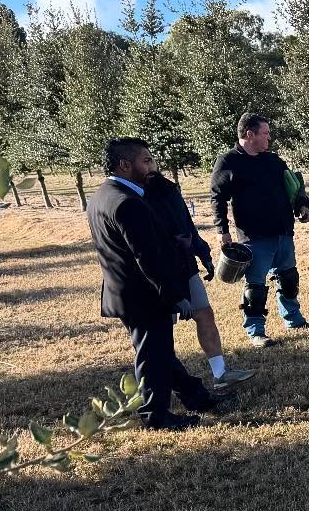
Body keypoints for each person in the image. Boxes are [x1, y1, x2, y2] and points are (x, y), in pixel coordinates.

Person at [87, 138, 221, 431]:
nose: (152, 167)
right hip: (144, 294)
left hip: (125, 292)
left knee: (159, 352)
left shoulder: (102, 195)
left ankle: (194, 395)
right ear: (125, 165)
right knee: (152, 356)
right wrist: (174, 296)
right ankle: (155, 415)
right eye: (146, 161)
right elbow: (147, 259)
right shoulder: (128, 204)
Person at [142, 169, 255, 387]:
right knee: (162, 328)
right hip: (158, 273)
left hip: (185, 267)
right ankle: (164, 383)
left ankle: (220, 374)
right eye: (144, 161)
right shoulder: (133, 198)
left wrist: (203, 254)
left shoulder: (169, 190)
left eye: (151, 161)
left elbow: (187, 226)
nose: (149, 167)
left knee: (204, 314)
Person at [209, 112, 309, 347]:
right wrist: (222, 230)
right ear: (250, 134)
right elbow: (217, 198)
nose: (269, 138)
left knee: (288, 279)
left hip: (283, 231)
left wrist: (302, 204)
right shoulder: (228, 162)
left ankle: (294, 320)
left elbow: (293, 184)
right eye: (265, 133)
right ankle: (256, 331)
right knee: (255, 288)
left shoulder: (273, 160)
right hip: (254, 236)